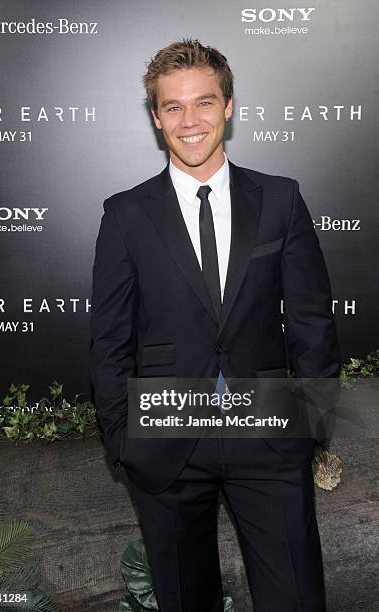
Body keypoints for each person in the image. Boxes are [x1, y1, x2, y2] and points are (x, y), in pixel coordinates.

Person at [90, 39, 340, 612]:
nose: (190, 121)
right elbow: (110, 340)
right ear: (156, 117)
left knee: (296, 598)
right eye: (173, 107)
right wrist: (124, 440)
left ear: (228, 106)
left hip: (270, 430)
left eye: (204, 103)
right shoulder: (126, 214)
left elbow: (311, 321)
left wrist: (311, 423)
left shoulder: (280, 199)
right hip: (165, 435)